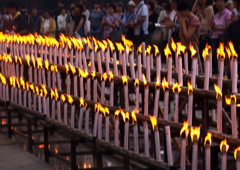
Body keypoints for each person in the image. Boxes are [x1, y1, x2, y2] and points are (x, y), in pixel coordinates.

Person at [211, 0, 231, 73]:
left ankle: (223, 71)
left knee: (222, 56)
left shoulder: (228, 13)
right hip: (214, 37)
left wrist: (218, 28)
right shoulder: (215, 15)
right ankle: (217, 70)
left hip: (222, 38)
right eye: (217, 1)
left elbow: (228, 26)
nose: (219, 3)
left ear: (224, 3)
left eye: (221, 1)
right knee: (215, 56)